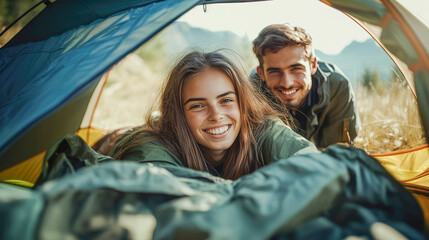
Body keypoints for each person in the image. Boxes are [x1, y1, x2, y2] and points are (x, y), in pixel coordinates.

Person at [110, 50, 317, 180]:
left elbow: (312, 166)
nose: (216, 115)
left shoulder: (264, 129)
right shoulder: (150, 150)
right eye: (198, 106)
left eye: (226, 100)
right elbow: (164, 197)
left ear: (243, 103)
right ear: (178, 114)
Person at [251, 24, 361, 148]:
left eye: (296, 69)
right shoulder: (252, 93)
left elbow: (340, 150)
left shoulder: (336, 87)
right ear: (261, 73)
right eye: (275, 72)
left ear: (313, 65)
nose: (287, 83)